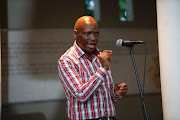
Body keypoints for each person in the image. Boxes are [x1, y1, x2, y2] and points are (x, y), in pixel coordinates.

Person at [58, 16, 128, 120]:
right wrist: (103, 68)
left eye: (96, 34)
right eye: (87, 33)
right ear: (75, 34)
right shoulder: (67, 61)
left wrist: (115, 93)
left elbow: (103, 97)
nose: (93, 38)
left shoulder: (100, 57)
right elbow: (81, 94)